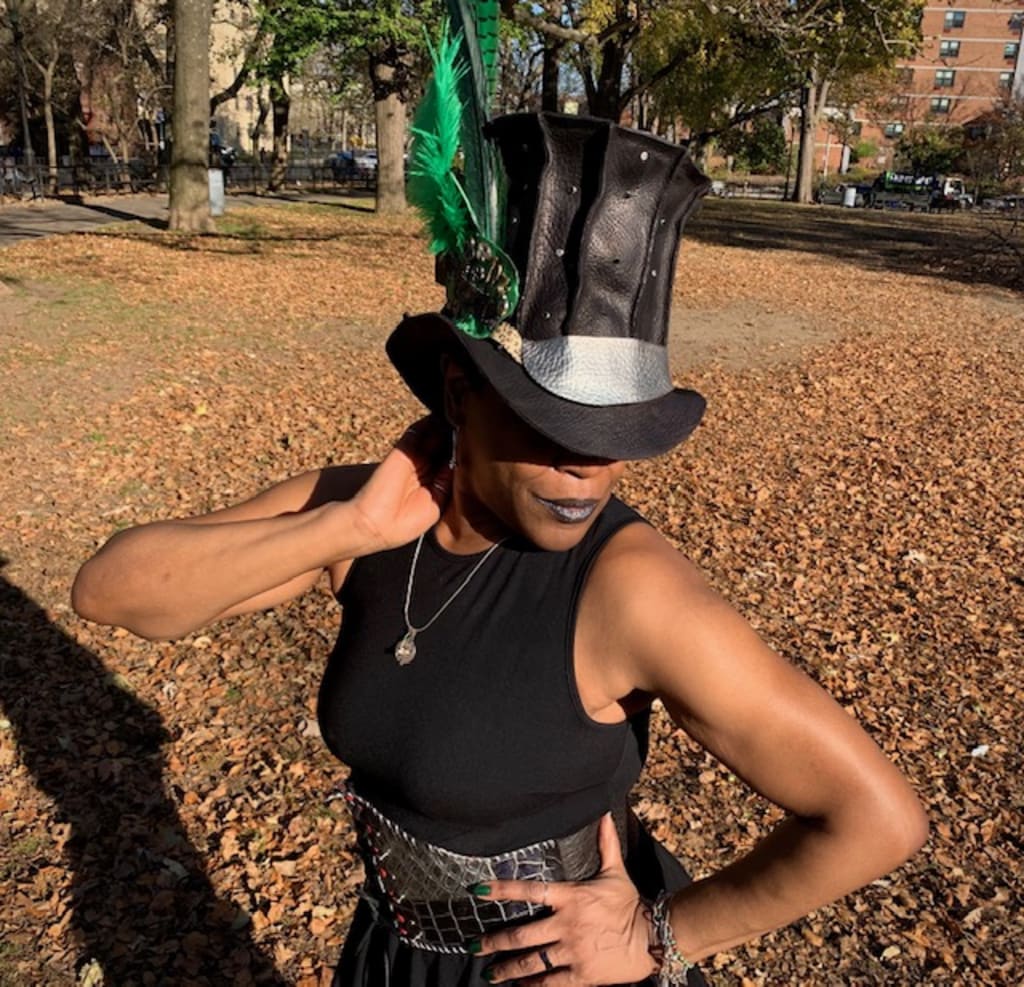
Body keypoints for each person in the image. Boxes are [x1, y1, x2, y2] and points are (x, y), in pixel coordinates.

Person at [72, 110, 928, 987]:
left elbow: (876, 816)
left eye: (615, 433)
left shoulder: (629, 590)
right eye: (549, 422)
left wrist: (659, 936)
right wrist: (346, 529)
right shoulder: (364, 515)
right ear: (459, 394)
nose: (587, 465)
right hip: (393, 958)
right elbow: (110, 591)